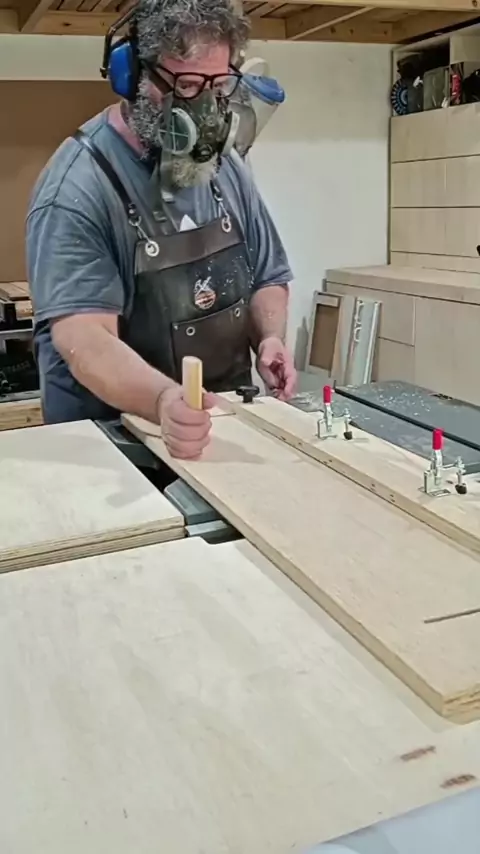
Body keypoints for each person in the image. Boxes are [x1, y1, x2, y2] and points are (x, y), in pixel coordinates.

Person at [26, 0, 296, 459]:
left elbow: (268, 275)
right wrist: (162, 401)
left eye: (218, 86)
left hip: (216, 434)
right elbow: (85, 339)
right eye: (187, 85)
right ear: (133, 77)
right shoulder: (77, 188)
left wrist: (270, 338)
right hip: (114, 450)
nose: (206, 108)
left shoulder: (224, 166)